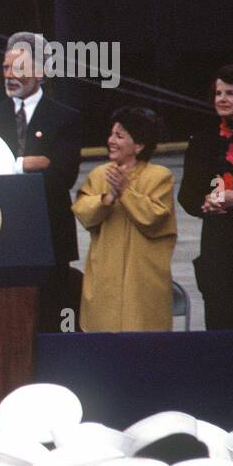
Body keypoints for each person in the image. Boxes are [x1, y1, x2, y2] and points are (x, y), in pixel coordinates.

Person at [0, 33, 84, 332]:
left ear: (40, 72)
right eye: (5, 68)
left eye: (19, 68)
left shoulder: (64, 117)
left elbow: (61, 177)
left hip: (50, 235)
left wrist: (7, 170)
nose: (10, 76)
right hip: (1, 235)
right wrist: (22, 164)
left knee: (52, 318)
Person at [178, 64, 233, 329]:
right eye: (218, 93)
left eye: (231, 93)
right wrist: (204, 203)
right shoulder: (203, 139)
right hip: (219, 254)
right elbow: (187, 195)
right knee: (222, 329)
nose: (222, 99)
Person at [72, 107, 177, 332]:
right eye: (111, 134)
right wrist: (107, 197)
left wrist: (126, 192)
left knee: (145, 346)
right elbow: (83, 212)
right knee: (104, 345)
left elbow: (154, 219)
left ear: (138, 145)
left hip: (143, 280)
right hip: (105, 277)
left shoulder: (159, 176)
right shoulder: (100, 174)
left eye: (119, 136)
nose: (111, 141)